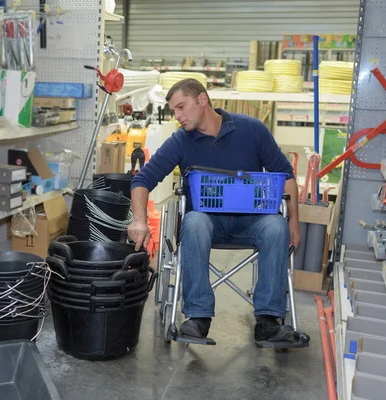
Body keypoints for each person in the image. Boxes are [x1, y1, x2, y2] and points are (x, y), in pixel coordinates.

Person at [128, 78, 300, 342]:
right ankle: (198, 318)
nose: (178, 116)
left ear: (202, 100)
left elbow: (285, 173)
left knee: (277, 226)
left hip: (250, 222)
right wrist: (139, 220)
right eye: (174, 111)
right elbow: (142, 179)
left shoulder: (251, 130)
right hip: (206, 224)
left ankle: (268, 321)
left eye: (182, 107)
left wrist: (294, 223)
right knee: (195, 221)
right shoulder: (180, 141)